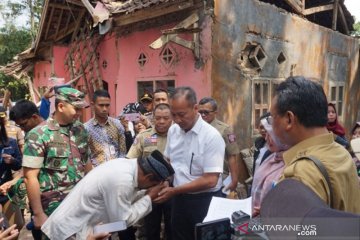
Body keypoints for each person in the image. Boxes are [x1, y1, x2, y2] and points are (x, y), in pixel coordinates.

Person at [269, 76, 360, 213]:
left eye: (272, 117)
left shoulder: (301, 173)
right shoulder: (341, 152)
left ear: (289, 119)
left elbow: (295, 232)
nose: (271, 125)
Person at [41, 150, 175, 240]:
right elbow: (122, 222)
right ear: (149, 176)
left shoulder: (128, 166)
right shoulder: (122, 180)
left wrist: (145, 194)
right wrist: (149, 197)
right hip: (67, 233)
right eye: (153, 184)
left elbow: (118, 216)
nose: (151, 188)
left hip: (82, 229)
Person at [155, 86, 225, 240]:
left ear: (195, 108)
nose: (178, 120)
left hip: (205, 202)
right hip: (179, 201)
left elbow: (210, 180)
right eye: (174, 115)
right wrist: (167, 182)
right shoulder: (173, 131)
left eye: (182, 115)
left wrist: (174, 191)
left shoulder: (211, 137)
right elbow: (169, 162)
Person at [22, 87, 93, 237]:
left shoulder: (80, 129)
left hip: (80, 203)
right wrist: (38, 213)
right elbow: (30, 177)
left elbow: (87, 164)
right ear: (61, 106)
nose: (80, 113)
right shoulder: (38, 135)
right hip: (53, 208)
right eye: (76, 109)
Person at [127, 103, 173, 240]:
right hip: (151, 190)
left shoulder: (179, 136)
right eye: (158, 118)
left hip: (173, 189)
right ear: (153, 118)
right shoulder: (144, 137)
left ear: (172, 118)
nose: (162, 121)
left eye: (166, 118)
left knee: (172, 228)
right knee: (151, 228)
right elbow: (130, 160)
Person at [198, 97, 241, 192]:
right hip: (199, 175)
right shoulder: (195, 128)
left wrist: (234, 180)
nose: (202, 115)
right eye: (200, 112)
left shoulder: (225, 130)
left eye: (206, 112)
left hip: (220, 176)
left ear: (215, 112)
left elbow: (232, 155)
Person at [251, 117, 289, 216]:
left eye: (271, 134)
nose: (266, 138)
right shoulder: (270, 155)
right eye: (266, 134)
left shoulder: (294, 162)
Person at [85, 90, 126, 166]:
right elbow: (86, 156)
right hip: (97, 172)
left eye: (107, 105)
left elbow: (122, 151)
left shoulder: (117, 124)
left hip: (116, 169)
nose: (104, 109)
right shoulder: (86, 128)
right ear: (93, 105)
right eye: (101, 105)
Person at [0, 116, 23, 231]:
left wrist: (12, 160)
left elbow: (19, 165)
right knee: (2, 228)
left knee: (17, 225)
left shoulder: (11, 142)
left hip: (7, 191)